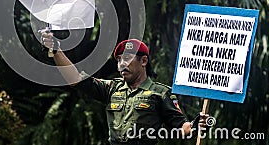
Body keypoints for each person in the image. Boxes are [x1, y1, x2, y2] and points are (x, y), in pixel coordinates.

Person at [42, 32, 208, 145]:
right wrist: (56, 51)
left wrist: (195, 125)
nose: (121, 64)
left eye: (127, 59)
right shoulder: (112, 88)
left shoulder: (160, 93)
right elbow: (76, 80)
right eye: (119, 60)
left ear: (143, 61)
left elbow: (181, 127)